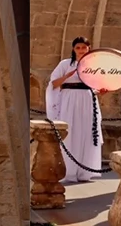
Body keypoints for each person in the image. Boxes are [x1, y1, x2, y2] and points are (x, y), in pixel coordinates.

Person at [45, 37, 108, 183]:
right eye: (78, 47)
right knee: (71, 131)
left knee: (85, 132)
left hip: (87, 100)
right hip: (69, 99)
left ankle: (84, 171)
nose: (81, 50)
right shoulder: (65, 64)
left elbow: (95, 86)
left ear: (89, 48)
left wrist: (101, 91)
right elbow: (53, 83)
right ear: (73, 49)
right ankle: (68, 171)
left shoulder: (93, 65)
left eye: (84, 47)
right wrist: (68, 75)